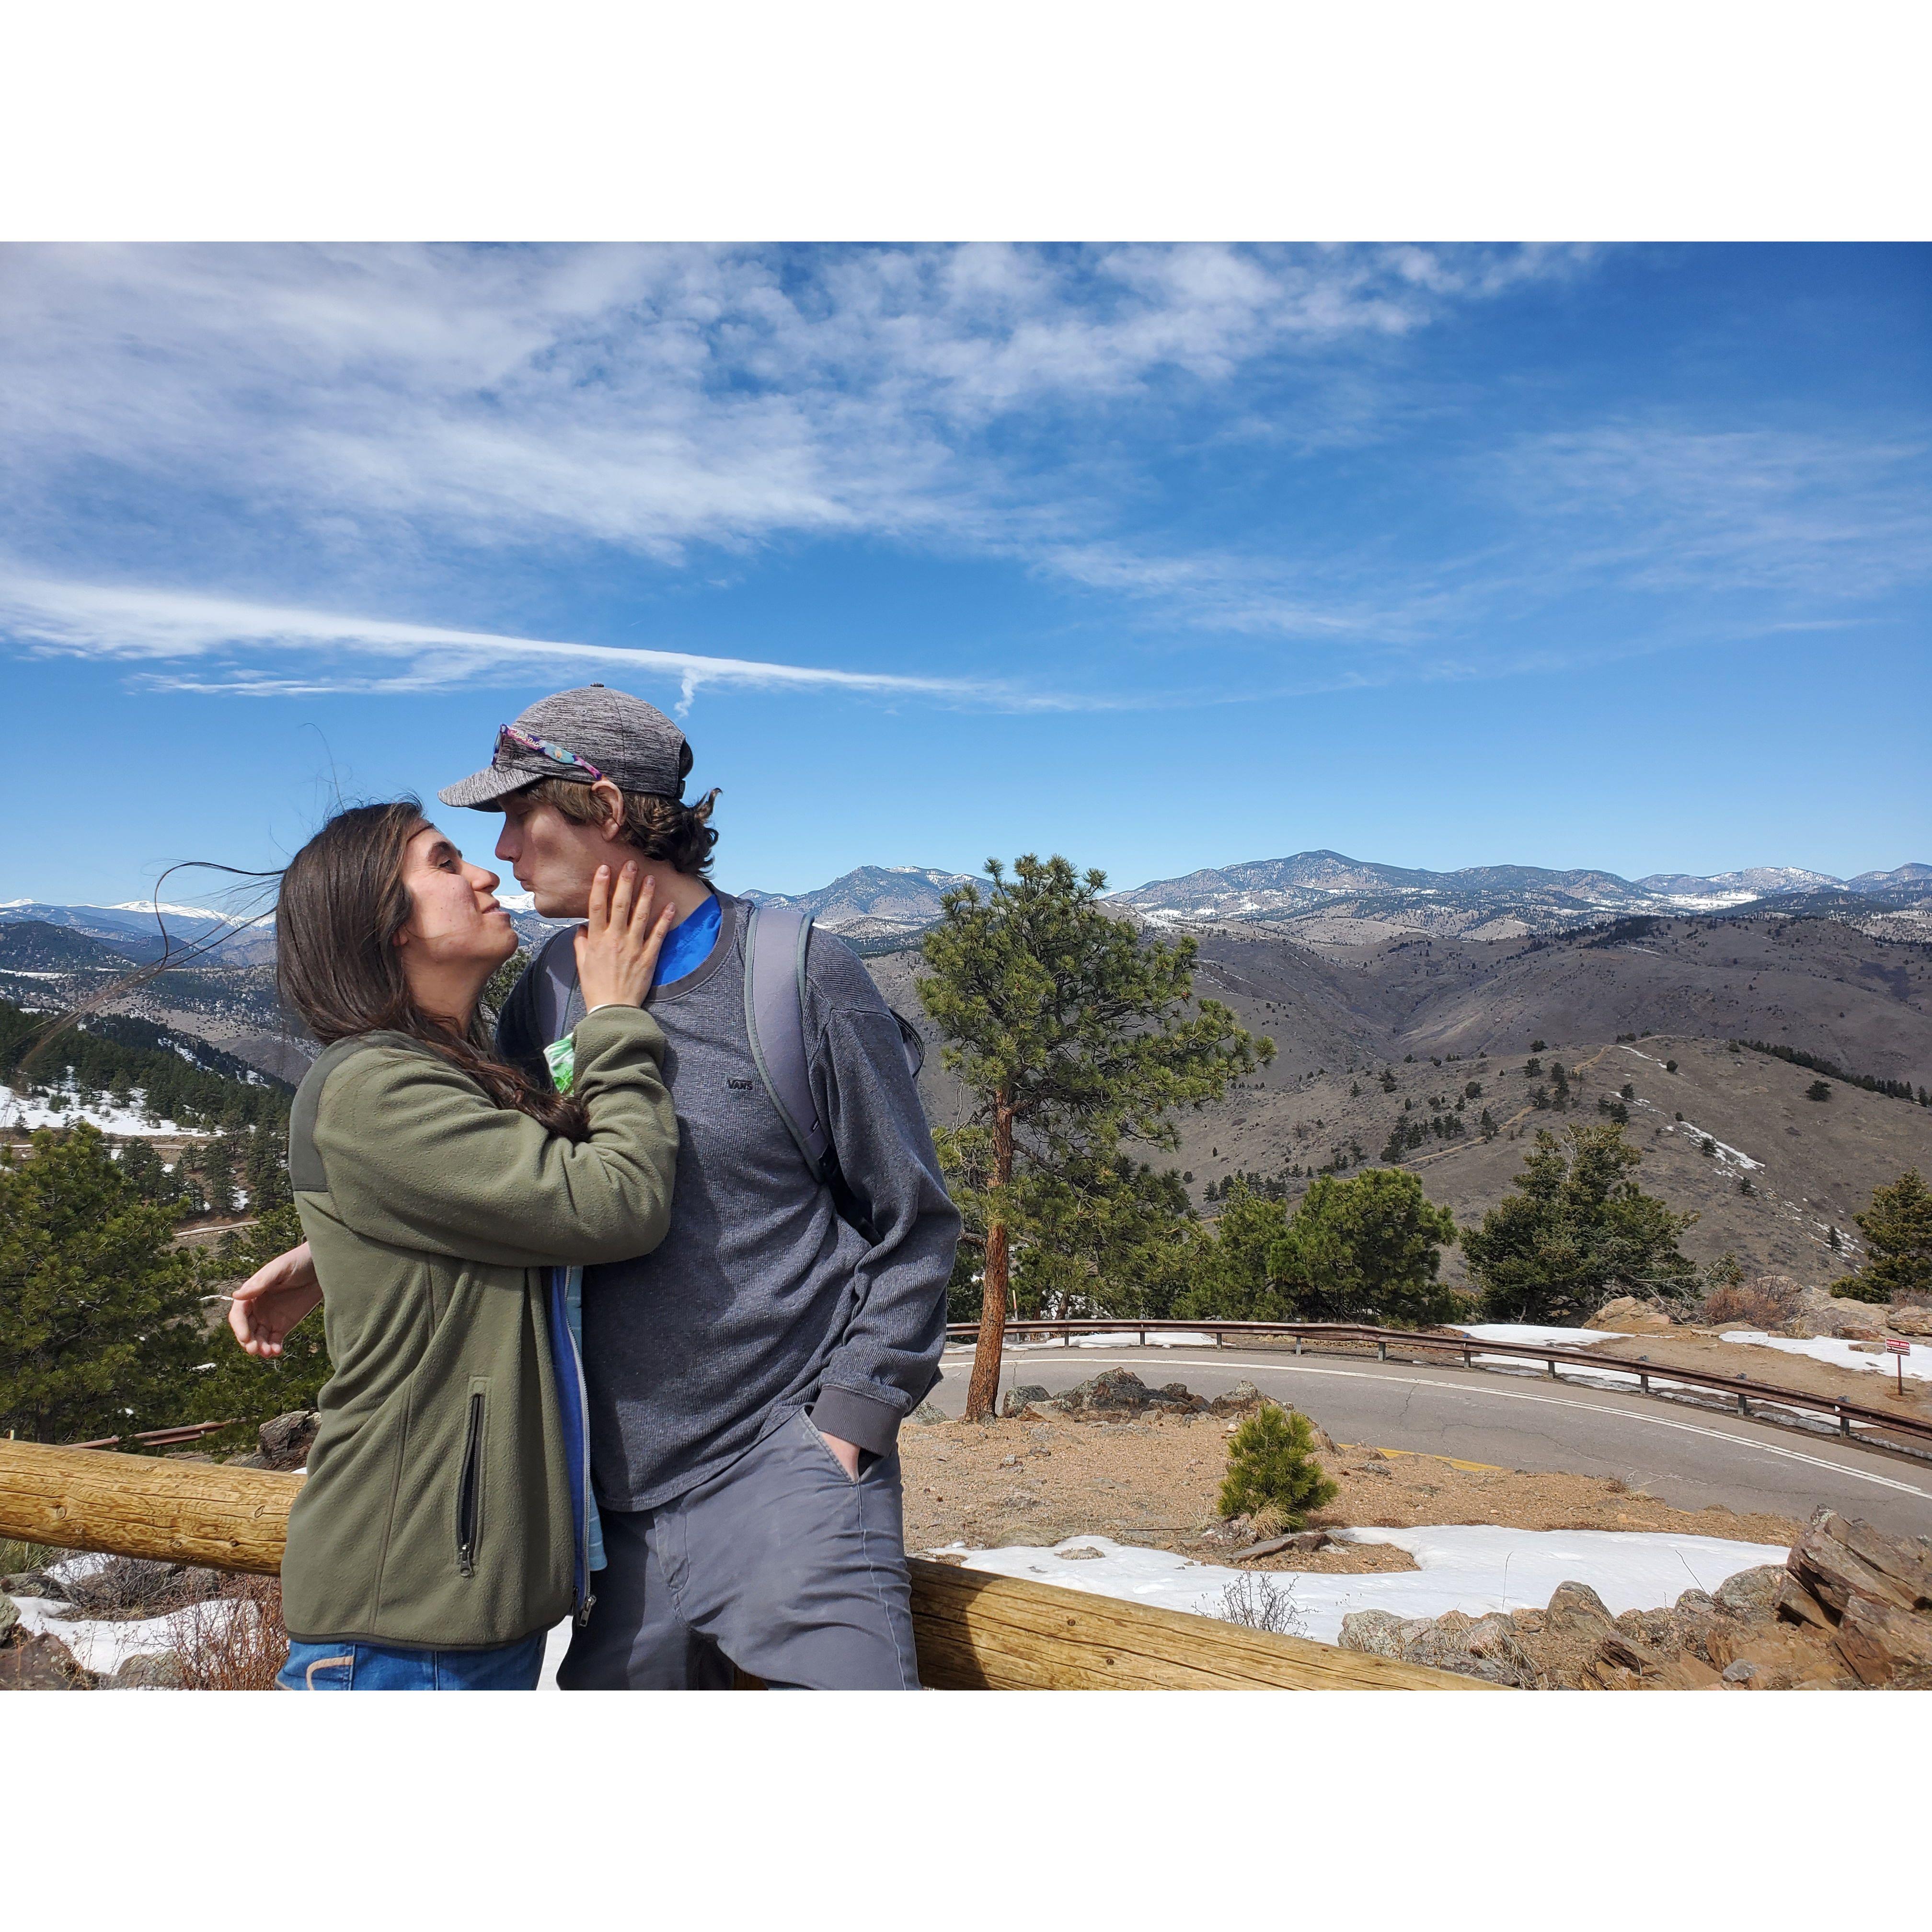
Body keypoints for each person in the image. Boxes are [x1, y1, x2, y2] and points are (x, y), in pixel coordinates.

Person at [236, 690, 960, 1690]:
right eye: (465, 844)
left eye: (515, 815)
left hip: (786, 1472)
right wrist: (339, 1248)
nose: (501, 853)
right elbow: (501, 1175)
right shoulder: (552, 993)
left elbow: (911, 1217)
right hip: (608, 1518)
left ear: (606, 810)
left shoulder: (798, 975)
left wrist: (849, 1423)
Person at [249, 799, 679, 1690]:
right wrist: (613, 1020)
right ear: (387, 924)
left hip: (450, 1606)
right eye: (445, 862)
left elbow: (470, 1210)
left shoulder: (443, 1072)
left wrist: (331, 1258)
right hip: (408, 1616)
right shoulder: (377, 1083)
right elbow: (615, 1202)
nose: (485, 871)